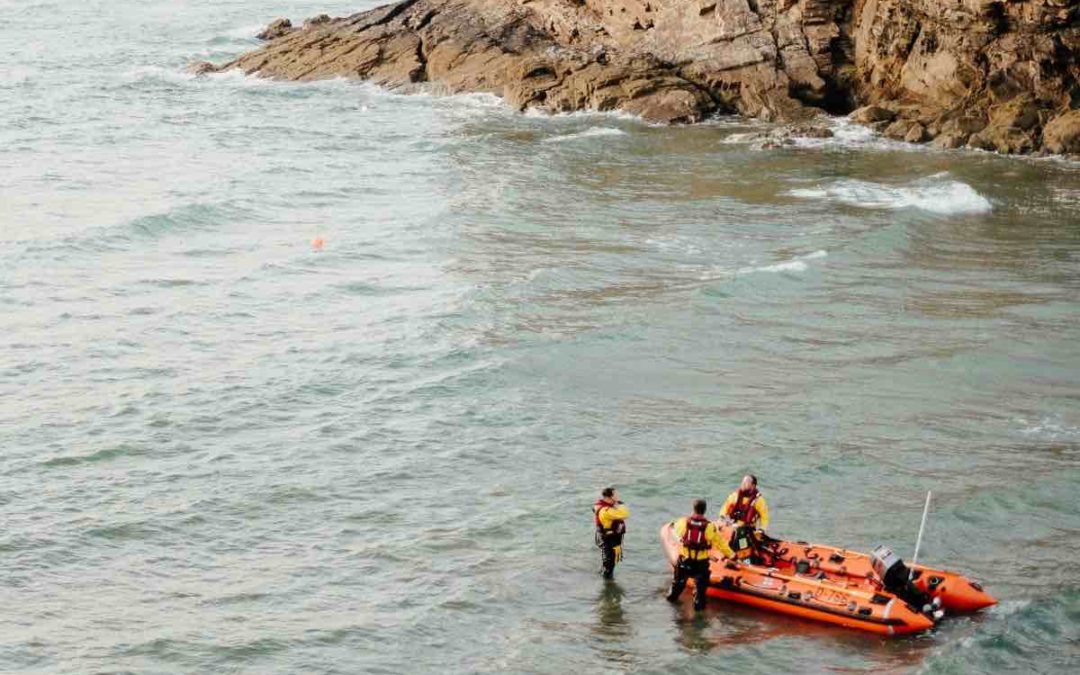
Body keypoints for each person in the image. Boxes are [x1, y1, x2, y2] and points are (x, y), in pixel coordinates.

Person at [666, 499, 734, 610]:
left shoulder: (683, 522)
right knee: (699, 599)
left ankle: (670, 612)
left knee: (674, 592)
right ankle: (699, 616)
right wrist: (732, 555)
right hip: (700, 565)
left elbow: (674, 533)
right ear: (704, 510)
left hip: (685, 562)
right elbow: (720, 543)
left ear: (693, 509)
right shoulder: (710, 527)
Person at [593, 487, 628, 579]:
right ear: (610, 497)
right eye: (616, 495)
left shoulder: (607, 507)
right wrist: (620, 504)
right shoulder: (605, 510)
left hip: (610, 538)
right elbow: (625, 514)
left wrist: (616, 504)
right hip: (608, 539)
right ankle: (607, 582)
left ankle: (604, 578)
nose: (618, 496)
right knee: (609, 563)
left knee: (611, 560)